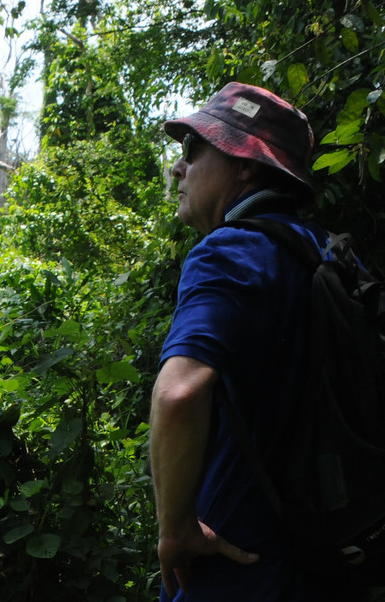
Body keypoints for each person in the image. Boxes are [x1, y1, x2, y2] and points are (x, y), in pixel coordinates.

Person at [149, 82, 332, 601]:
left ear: (246, 164)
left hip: (234, 567)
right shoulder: (327, 255)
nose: (177, 169)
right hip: (321, 563)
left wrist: (176, 529)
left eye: (194, 150)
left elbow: (178, 394)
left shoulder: (231, 253)